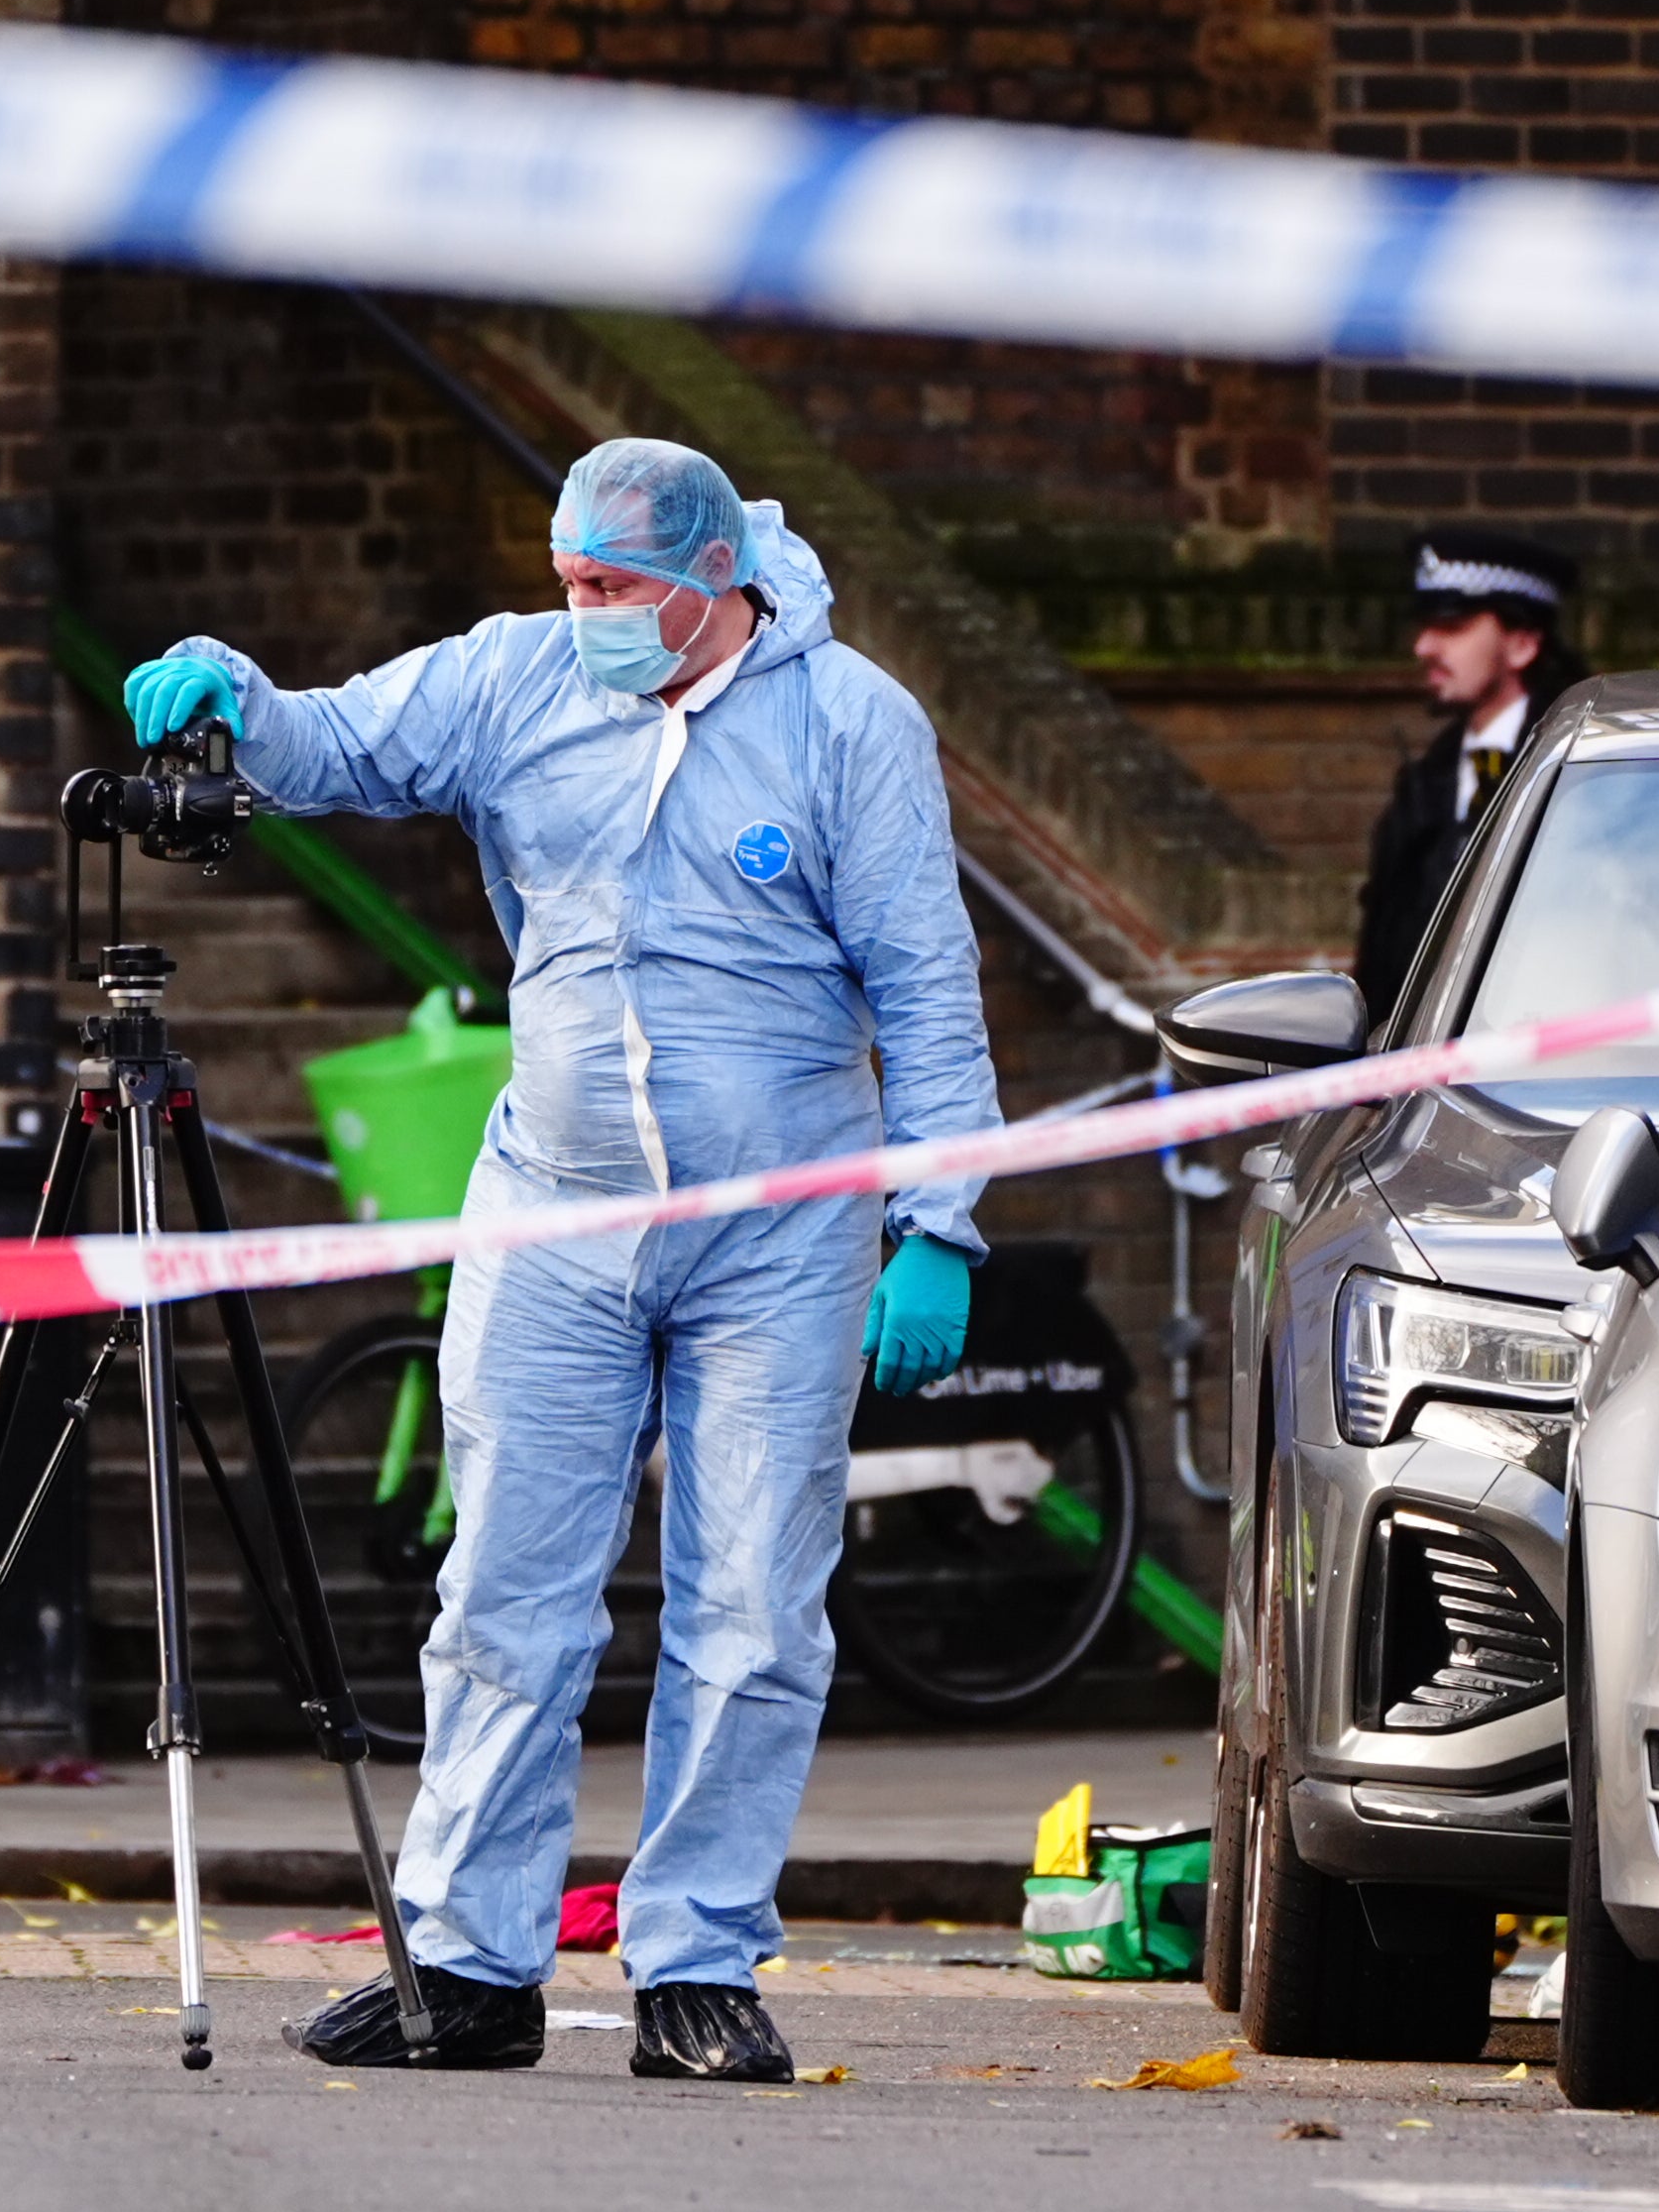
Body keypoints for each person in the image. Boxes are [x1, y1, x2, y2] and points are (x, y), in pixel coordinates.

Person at [119, 438, 1001, 2084]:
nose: (579, 609)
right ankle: (464, 1958)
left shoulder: (849, 724)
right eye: (568, 579)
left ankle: (696, 1960)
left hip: (781, 1226)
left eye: (611, 589)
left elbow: (923, 979)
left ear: (711, 583)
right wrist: (233, 690)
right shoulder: (518, 675)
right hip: (556, 1203)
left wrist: (934, 1221)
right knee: (504, 1596)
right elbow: (339, 745)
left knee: (749, 1604)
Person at [1350, 529, 1589, 1021]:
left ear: (1522, 643)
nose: (1424, 647)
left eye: (1452, 626)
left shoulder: (1581, 777)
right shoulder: (1426, 783)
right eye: (1424, 627)